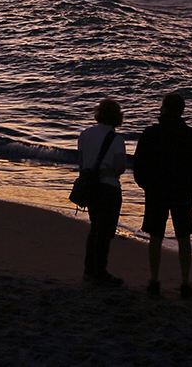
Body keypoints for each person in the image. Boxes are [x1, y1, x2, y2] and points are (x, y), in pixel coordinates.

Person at [132, 91, 192, 298]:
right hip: (182, 192)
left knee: (155, 237)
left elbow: (138, 165)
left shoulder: (150, 133)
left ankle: (154, 280)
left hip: (156, 191)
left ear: (163, 109)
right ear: (182, 111)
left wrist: (146, 186)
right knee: (184, 238)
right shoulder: (191, 135)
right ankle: (185, 283)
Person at [78, 98, 127, 286]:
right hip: (109, 188)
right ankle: (100, 271)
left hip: (90, 186)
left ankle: (89, 270)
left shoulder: (85, 134)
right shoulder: (117, 139)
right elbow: (121, 167)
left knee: (94, 227)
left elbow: (82, 164)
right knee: (105, 232)